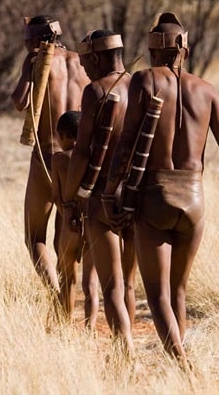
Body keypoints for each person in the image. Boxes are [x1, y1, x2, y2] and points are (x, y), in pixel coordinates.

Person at [102, 12, 219, 368]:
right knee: (178, 291)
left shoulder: (144, 80)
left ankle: (182, 364)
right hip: (194, 200)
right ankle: (179, 368)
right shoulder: (207, 90)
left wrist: (109, 193)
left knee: (158, 295)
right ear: (185, 49)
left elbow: (126, 144)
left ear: (154, 50)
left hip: (154, 196)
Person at [62, 30, 137, 355]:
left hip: (102, 197)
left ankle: (126, 351)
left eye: (84, 63)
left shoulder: (96, 90)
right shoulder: (140, 85)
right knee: (130, 285)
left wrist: (70, 198)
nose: (84, 70)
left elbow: (81, 152)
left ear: (94, 57)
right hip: (137, 195)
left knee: (112, 286)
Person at [11, 15, 90, 291]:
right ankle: (69, 296)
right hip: (78, 160)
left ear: (35, 40)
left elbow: (19, 102)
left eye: (27, 41)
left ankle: (56, 294)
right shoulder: (82, 62)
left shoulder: (37, 61)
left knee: (34, 238)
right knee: (66, 235)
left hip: (46, 157)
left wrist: (27, 69)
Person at [51, 110, 100, 329]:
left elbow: (57, 196)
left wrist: (67, 217)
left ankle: (66, 324)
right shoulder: (93, 157)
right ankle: (90, 327)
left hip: (70, 223)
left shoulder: (59, 159)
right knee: (91, 281)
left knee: (67, 277)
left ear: (62, 135)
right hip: (92, 222)